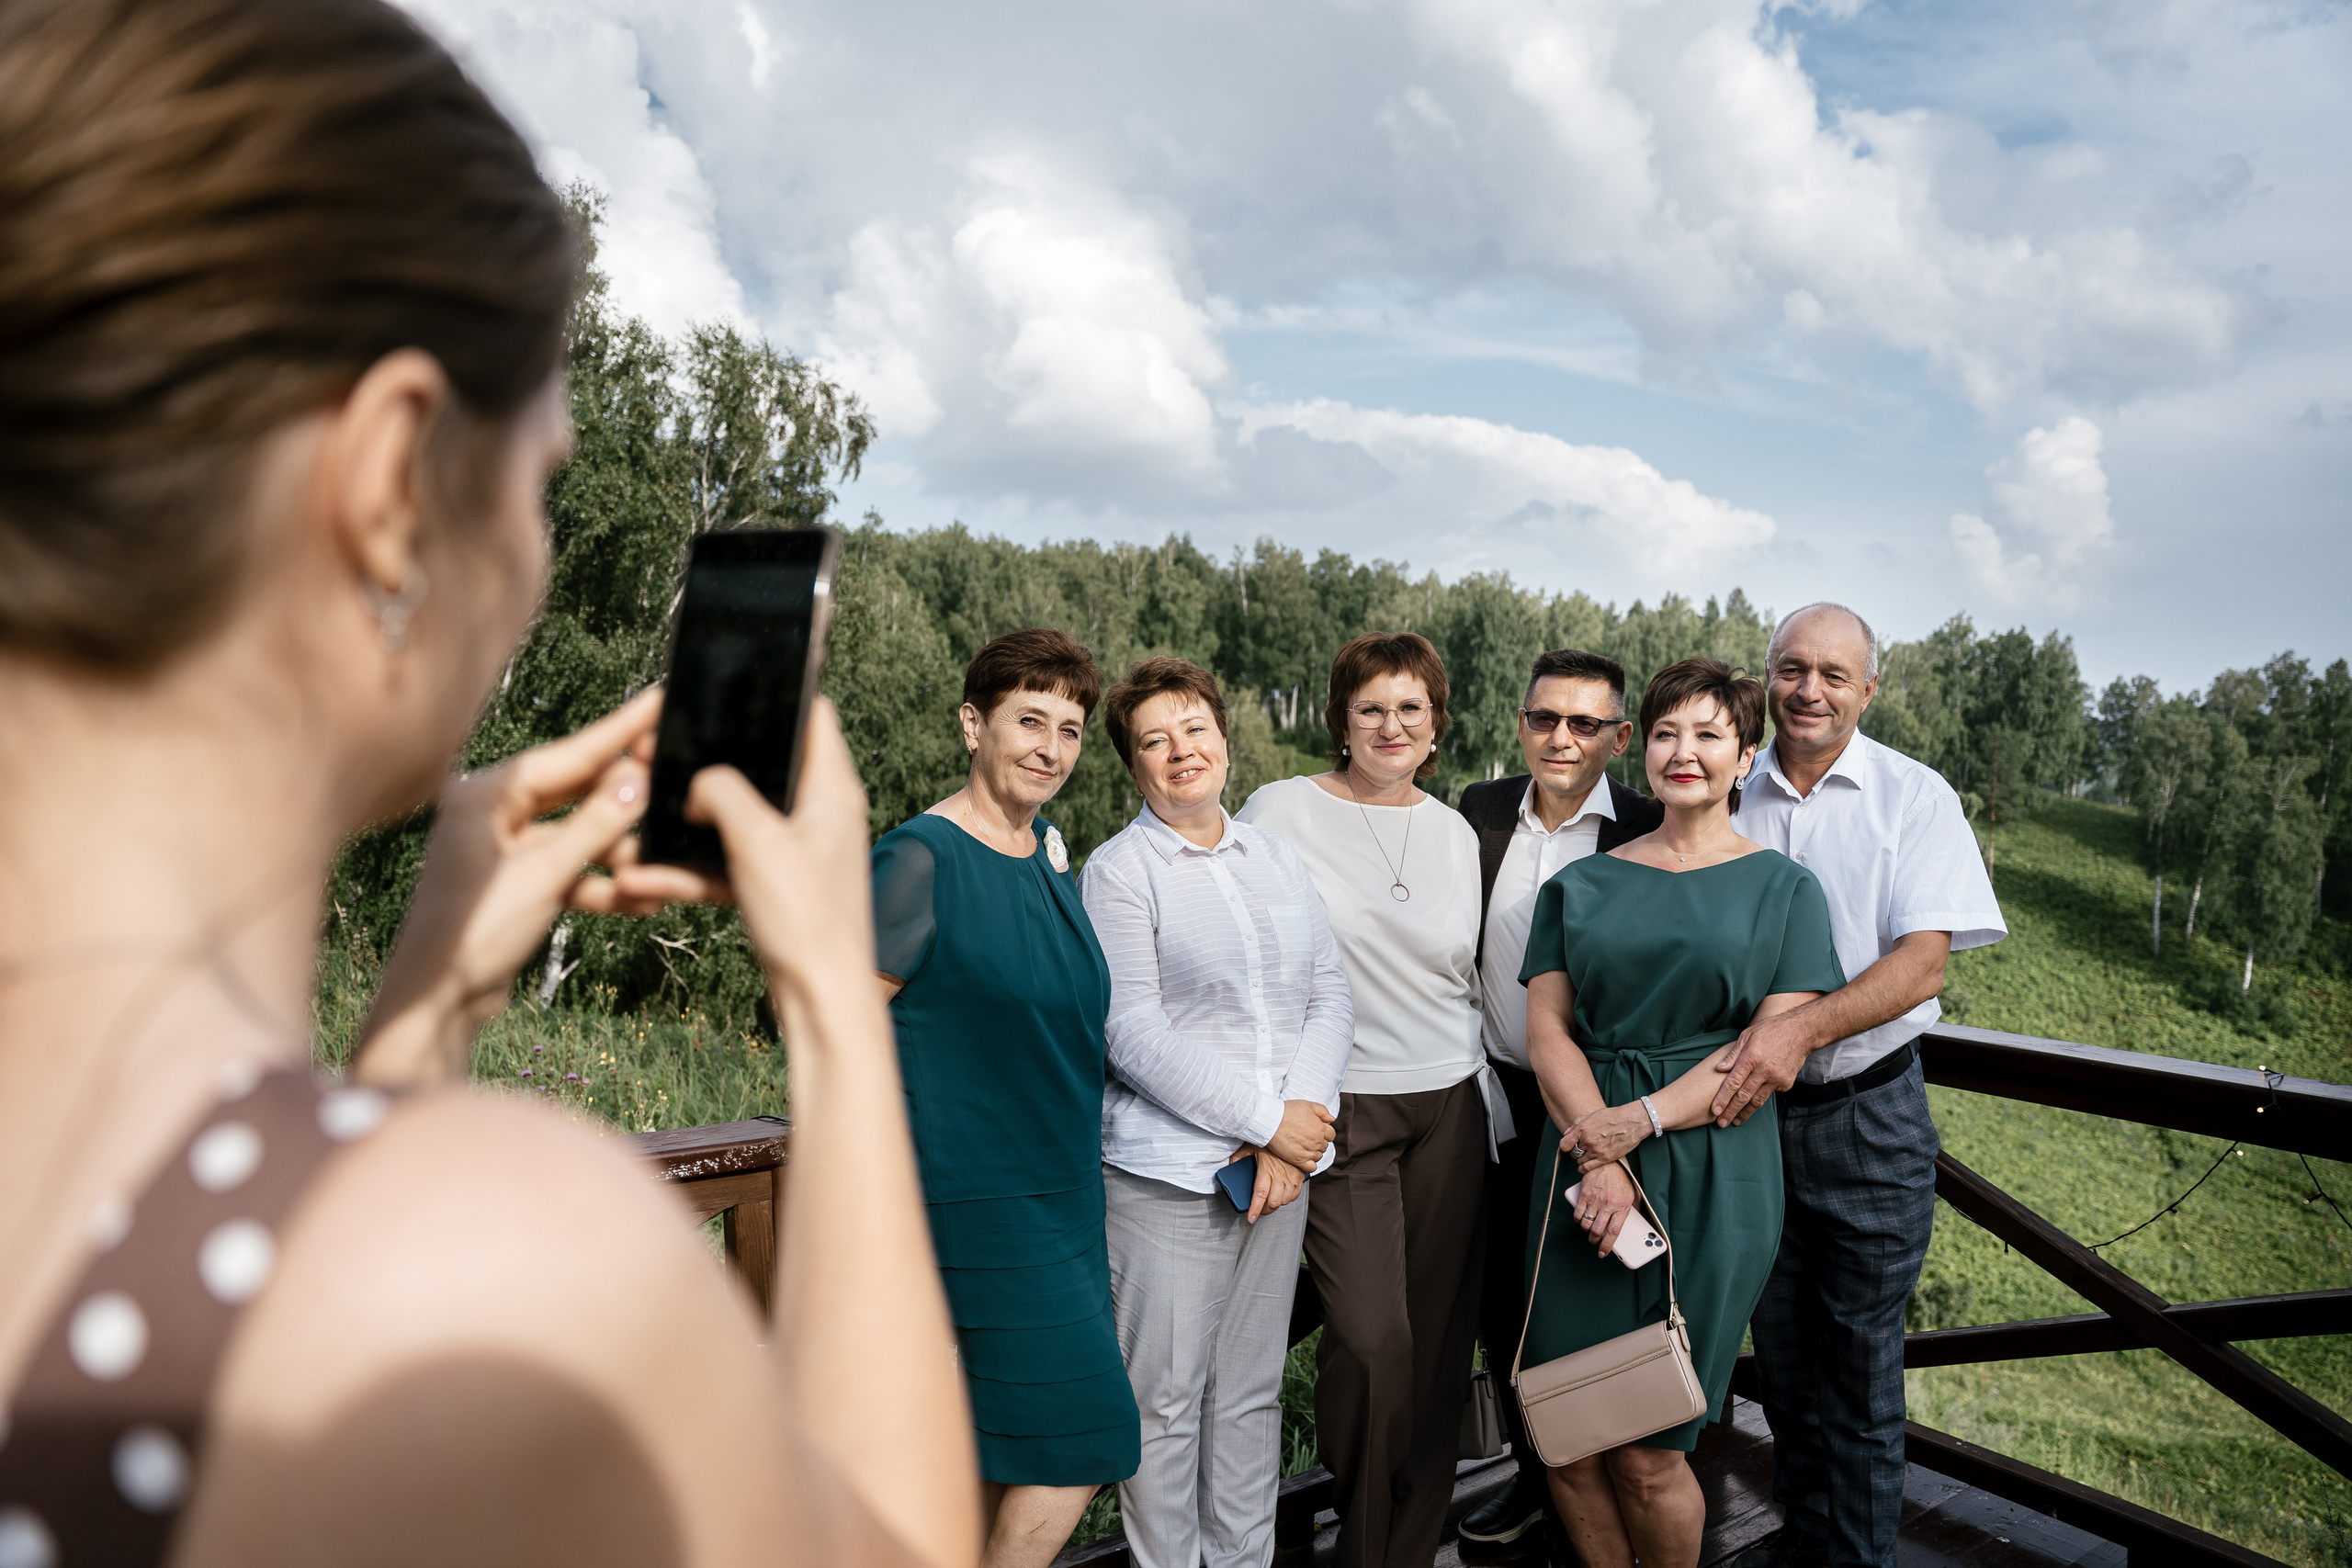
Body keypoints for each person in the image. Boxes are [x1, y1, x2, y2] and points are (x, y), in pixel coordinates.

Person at [0, 2, 974, 1563]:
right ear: (391, 483)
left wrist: (428, 1003)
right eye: (541, 480)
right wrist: (830, 998)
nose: (528, 558)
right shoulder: (515, 1271)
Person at [1520, 658, 1847, 1568]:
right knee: (1567, 1432)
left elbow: (1763, 1053)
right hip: (1580, 1157)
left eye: (1708, 734)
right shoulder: (1580, 884)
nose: (1683, 751)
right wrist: (1601, 1155)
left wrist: (1640, 1126)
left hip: (1711, 1166)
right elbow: (1546, 1032)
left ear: (1745, 757)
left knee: (1649, 1447)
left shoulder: (1786, 890)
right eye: (1666, 732)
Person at [1705, 605, 2006, 1568]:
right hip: (1747, 1122)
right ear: (1767, 677)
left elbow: (1923, 965)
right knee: (1784, 1364)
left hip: (1866, 1116)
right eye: (1791, 668)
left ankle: (1858, 1561)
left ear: (1868, 690)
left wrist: (1796, 1030)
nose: (1809, 690)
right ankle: (1803, 1544)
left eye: (1834, 674)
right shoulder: (1724, 787)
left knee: (1861, 1373)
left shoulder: (1913, 797)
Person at [870, 628, 1141, 1568]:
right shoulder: (920, 858)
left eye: (1069, 730)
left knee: (1002, 1451)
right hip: (972, 1199)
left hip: (1064, 1195)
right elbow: (830, 1031)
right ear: (971, 724)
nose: (1050, 748)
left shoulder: (1043, 857)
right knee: (1085, 1434)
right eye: (1029, 721)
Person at [1080, 657, 1353, 1568]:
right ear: (1133, 764)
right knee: (1162, 1405)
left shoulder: (1274, 855)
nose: (1180, 751)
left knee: (1248, 1395)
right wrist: (1270, 1123)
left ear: (1224, 738)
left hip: (1278, 1178)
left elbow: (1328, 994)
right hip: (1165, 1182)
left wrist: (1296, 1129)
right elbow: (1130, 1032)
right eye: (1154, 740)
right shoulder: (1119, 873)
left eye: (1194, 728)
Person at [1236, 632, 1495, 1568]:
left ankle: (1404, 1550)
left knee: (1437, 1353)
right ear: (1341, 720)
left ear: (1436, 725)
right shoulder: (1281, 810)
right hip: (1339, 1108)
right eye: (1371, 708)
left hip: (1451, 1106)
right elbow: (1235, 947)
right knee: (1372, 1339)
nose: (1392, 725)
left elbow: (1467, 977)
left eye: (1410, 708)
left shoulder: (1455, 830)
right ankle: (1364, 1537)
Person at [1453, 649, 1663, 1559]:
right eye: (1545, 718)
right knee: (1503, 1301)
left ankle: (1622, 1483)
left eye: (1585, 723)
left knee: (1600, 1294)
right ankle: (1538, 1480)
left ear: (1619, 736)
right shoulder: (1480, 808)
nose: (1561, 738)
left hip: (1602, 1105)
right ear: (1522, 723)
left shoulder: (1648, 825)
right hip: (1496, 1096)